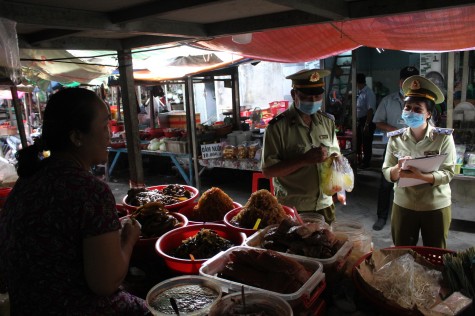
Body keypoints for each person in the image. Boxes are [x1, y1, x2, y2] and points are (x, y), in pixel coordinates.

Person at [0, 88, 150, 315]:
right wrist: (128, 239)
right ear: (76, 136)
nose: (109, 134)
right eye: (103, 126)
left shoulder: (27, 181)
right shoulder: (89, 191)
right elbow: (105, 284)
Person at [382, 75, 456, 248]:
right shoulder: (396, 138)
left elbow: (448, 173)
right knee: (402, 252)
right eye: (408, 107)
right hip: (403, 204)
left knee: (436, 253)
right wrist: (397, 171)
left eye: (417, 109)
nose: (411, 112)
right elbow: (386, 171)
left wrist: (422, 176)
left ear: (428, 114)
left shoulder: (443, 138)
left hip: (435, 206)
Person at [261, 69, 341, 224]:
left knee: (326, 246)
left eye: (317, 96)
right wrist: (303, 160)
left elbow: (335, 157)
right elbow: (268, 171)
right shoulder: (277, 127)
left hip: (325, 204)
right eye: (306, 97)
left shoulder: (328, 122)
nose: (312, 101)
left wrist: (339, 183)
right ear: (294, 95)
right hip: (294, 207)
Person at [371, 66, 420, 230]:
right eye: (406, 81)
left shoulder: (423, 102)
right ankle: (382, 217)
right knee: (386, 183)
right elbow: (378, 121)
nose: (410, 85)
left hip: (415, 149)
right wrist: (394, 130)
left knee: (412, 183)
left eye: (413, 81)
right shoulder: (388, 101)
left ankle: (410, 218)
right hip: (393, 148)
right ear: (400, 82)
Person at [356, 73, 377, 169]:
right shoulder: (360, 92)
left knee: (366, 143)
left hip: (367, 120)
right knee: (359, 141)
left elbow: (370, 110)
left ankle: (366, 162)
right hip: (360, 120)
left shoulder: (369, 93)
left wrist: (367, 125)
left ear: (358, 82)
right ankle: (359, 160)